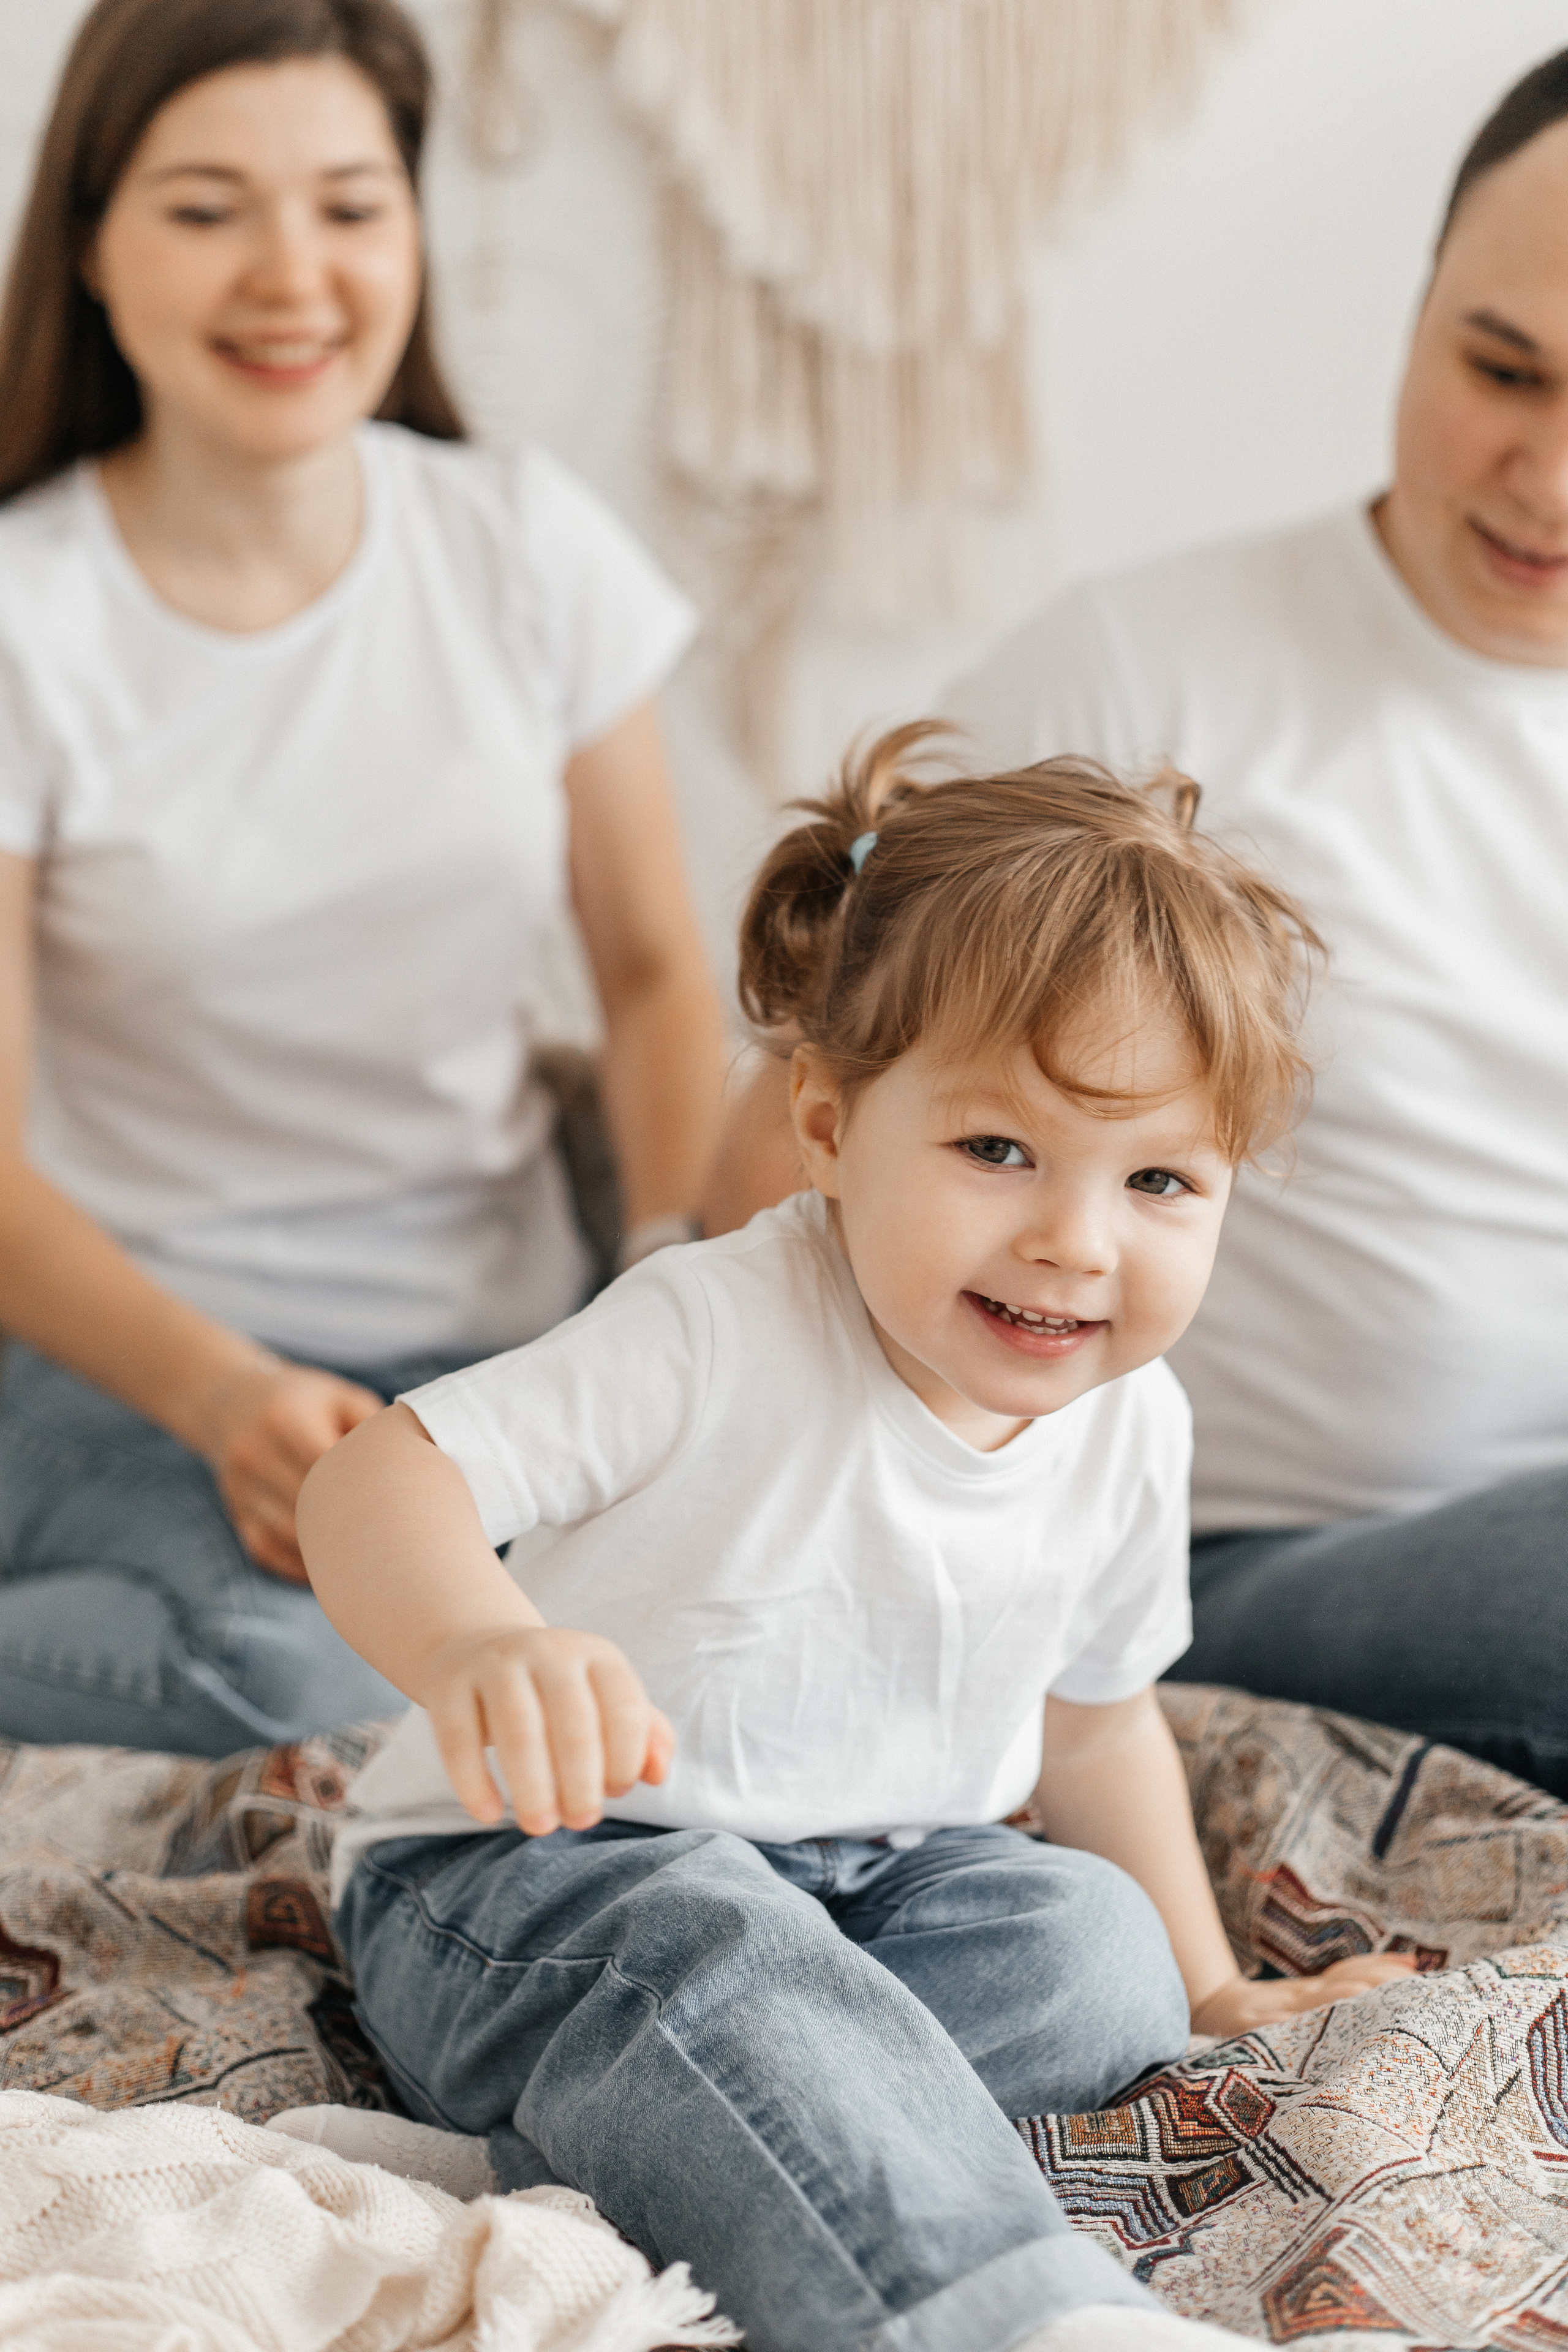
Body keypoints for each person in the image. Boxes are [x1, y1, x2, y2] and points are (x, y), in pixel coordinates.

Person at [285, 731, 1410, 2352]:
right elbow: (378, 1477)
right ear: (827, 1126)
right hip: (541, 1874)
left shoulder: (1132, 1423)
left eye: (1160, 1179)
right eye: (997, 1150)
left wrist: (1216, 1989)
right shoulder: (717, 1323)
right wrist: (480, 1643)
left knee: (1094, 1962)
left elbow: (1092, 1731)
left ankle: (619, 2140)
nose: (1073, 1241)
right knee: (710, 1951)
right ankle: (1004, 2315)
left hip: (874, 1882)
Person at [0, 0, 725, 1754]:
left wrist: (664, 1281)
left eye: (347, 203)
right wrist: (222, 1390)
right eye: (204, 208)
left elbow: (650, 969)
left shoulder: (522, 544)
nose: (290, 274)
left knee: (674, 1662)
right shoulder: (31, 615)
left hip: (496, 1342)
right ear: (91, 240)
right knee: (319, 1676)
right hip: (140, 1363)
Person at [940, 48, 1568, 1798]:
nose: (1548, 477)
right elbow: (785, 1146)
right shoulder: (1139, 679)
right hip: (1245, 1559)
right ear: (1418, 306)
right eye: (1501, 369)